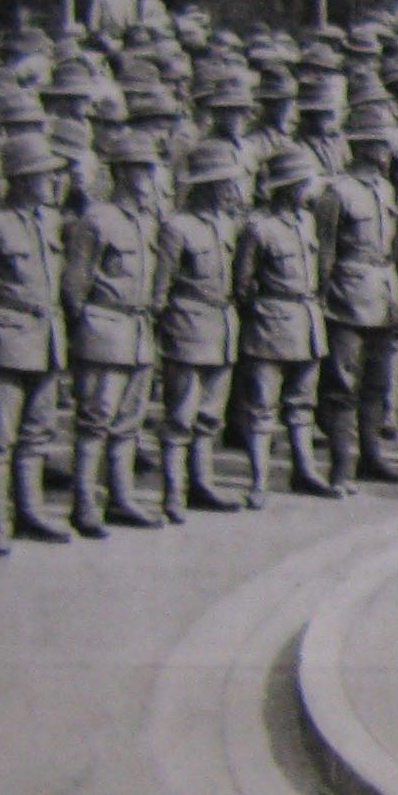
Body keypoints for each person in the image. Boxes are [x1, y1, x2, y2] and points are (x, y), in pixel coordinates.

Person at [0, 133, 74, 553]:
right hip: (5, 343)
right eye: (43, 174)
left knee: (35, 435)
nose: (50, 181)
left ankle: (29, 512)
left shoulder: (49, 220)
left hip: (46, 341)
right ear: (22, 179)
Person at [61, 132, 160, 536]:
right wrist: (88, 329)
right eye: (138, 168)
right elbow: (74, 285)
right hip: (105, 328)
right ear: (119, 171)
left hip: (137, 330)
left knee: (128, 425)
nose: (146, 175)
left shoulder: (149, 218)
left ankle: (120, 499)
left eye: (149, 168)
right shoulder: (96, 220)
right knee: (95, 421)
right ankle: (84, 505)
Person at [233, 148, 339, 507]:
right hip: (271, 325)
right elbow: (243, 284)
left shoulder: (307, 222)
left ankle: (305, 470)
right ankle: (259, 481)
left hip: (307, 323)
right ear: (288, 187)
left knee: (302, 404)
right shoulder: (259, 228)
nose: (310, 190)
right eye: (304, 183)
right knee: (263, 408)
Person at [153, 140, 246, 523]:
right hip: (187, 326)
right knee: (180, 416)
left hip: (221, 326)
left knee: (209, 416)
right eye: (225, 184)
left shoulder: (228, 224)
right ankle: (172, 491)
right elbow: (161, 289)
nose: (232, 191)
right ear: (207, 185)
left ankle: (201, 483)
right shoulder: (177, 227)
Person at [315, 122, 398, 490]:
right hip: (347, 296)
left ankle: (371, 456)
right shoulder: (337, 192)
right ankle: (341, 466)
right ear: (364, 146)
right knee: (342, 384)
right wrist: (322, 295)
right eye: (381, 144)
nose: (387, 151)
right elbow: (325, 250)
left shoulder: (385, 189)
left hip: (383, 294)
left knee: (377, 383)